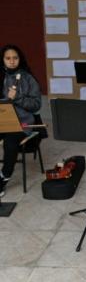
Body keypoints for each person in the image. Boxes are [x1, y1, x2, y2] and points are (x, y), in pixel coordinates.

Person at [0, 45, 41, 197]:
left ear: (20, 59)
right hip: (1, 121)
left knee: (11, 143)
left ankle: (3, 177)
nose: (11, 61)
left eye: (15, 58)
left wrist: (17, 97)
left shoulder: (28, 78)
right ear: (3, 60)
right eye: (8, 58)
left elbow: (36, 105)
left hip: (21, 123)